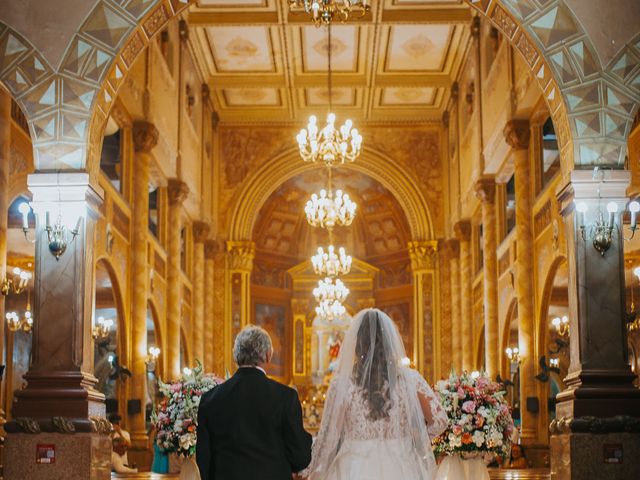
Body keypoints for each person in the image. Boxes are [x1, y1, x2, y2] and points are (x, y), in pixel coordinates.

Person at [301, 308, 448, 480]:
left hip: (354, 468)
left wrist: (309, 470)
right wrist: (416, 439)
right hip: (402, 465)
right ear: (390, 341)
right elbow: (440, 421)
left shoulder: (342, 384)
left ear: (357, 343)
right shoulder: (411, 379)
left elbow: (330, 438)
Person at [196, 325, 312, 480]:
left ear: (236, 356)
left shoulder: (210, 399)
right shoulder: (286, 397)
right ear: (268, 355)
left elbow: (203, 460)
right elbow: (300, 458)